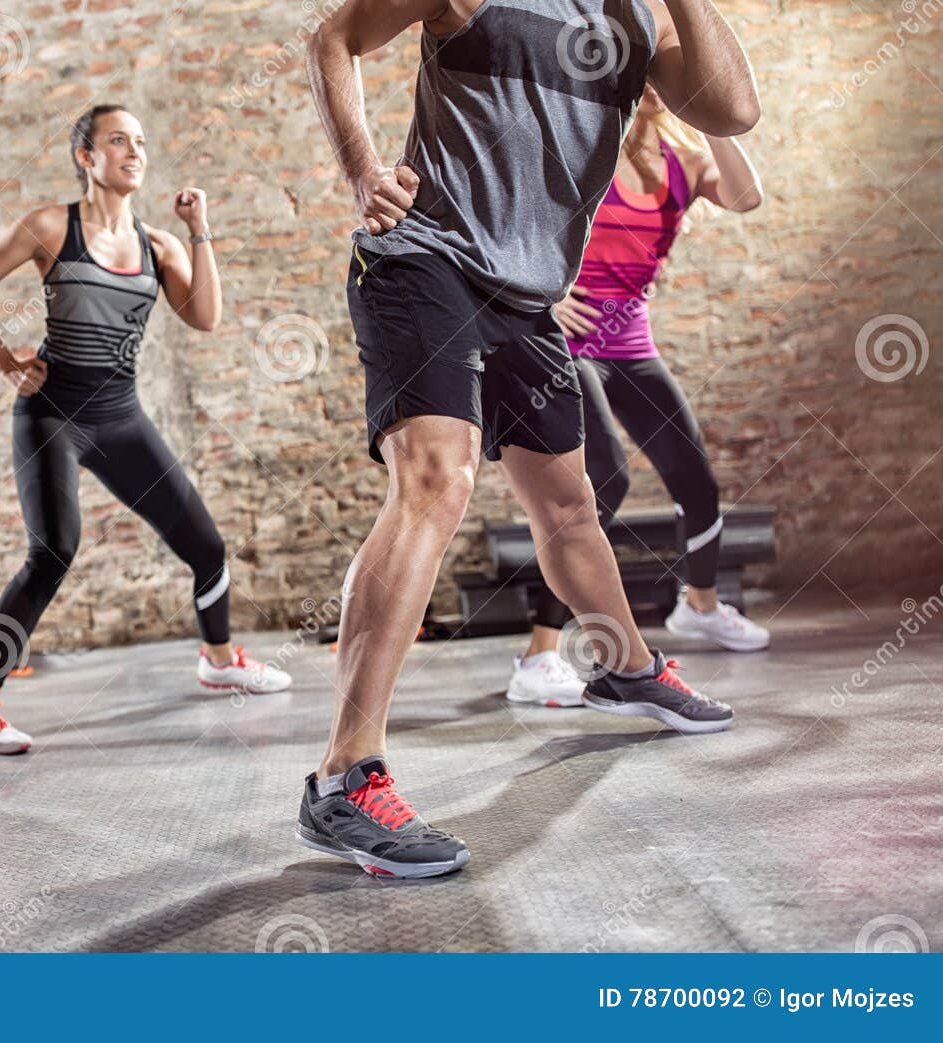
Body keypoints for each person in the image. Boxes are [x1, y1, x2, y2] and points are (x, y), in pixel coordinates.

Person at [299, 0, 761, 878]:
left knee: (572, 506)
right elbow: (333, 37)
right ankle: (343, 779)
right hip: (422, 260)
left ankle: (625, 666)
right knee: (436, 484)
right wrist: (362, 169)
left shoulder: (638, 16)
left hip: (526, 296)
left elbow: (732, 110)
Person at [0, 104, 291, 756]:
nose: (134, 151)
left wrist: (199, 229)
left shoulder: (158, 245)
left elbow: (205, 316)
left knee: (206, 544)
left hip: (120, 416)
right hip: (52, 413)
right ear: (86, 156)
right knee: (52, 551)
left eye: (140, 141)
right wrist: (1, 355)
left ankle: (218, 658)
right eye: (117, 140)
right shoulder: (52, 226)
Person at [508, 83, 769, 709]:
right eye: (645, 73)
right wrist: (541, 295)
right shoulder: (581, 151)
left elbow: (747, 195)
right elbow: (513, 223)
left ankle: (700, 607)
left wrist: (709, 113)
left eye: (668, 75)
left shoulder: (689, 161)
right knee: (604, 483)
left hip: (631, 345)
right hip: (566, 348)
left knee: (697, 481)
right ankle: (541, 654)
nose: (657, 86)